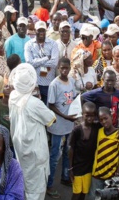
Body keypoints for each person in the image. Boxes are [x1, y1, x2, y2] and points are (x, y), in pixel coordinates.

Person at [9, 63, 56, 200]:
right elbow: (51, 119)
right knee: (36, 189)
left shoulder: (13, 96)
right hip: (35, 153)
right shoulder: (34, 103)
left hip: (21, 148)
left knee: (24, 182)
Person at [45, 57, 77, 196]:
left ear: (70, 68)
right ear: (58, 68)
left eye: (67, 68)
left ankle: (65, 177)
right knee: (54, 155)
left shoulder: (71, 81)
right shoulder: (54, 84)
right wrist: (65, 117)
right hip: (58, 125)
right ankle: (49, 184)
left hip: (69, 124)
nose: (64, 70)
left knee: (67, 152)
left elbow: (73, 99)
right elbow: (51, 105)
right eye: (62, 68)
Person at [87, 107, 119, 197]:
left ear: (111, 116)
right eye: (101, 120)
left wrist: (117, 174)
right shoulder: (99, 131)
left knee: (107, 197)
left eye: (106, 118)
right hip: (97, 174)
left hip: (111, 175)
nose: (104, 122)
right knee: (94, 196)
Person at [68, 102, 98, 200]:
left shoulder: (96, 128)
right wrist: (70, 168)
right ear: (82, 114)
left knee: (84, 193)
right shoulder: (76, 130)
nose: (90, 118)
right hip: (77, 167)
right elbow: (71, 149)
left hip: (89, 168)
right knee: (76, 193)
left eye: (92, 116)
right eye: (87, 115)